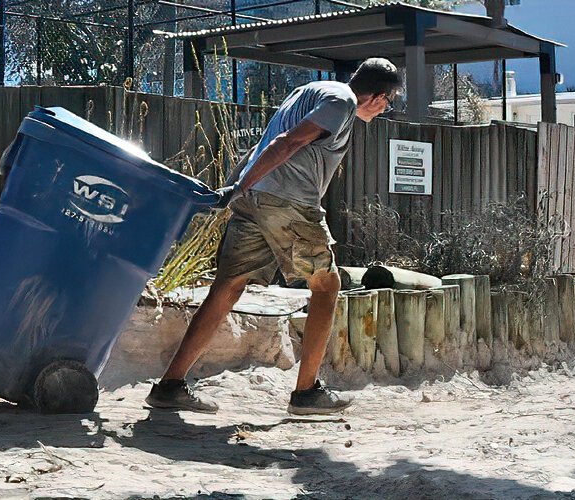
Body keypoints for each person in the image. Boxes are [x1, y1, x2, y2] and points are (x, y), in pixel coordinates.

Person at [146, 58, 403, 415]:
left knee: (228, 285)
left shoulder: (308, 90)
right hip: (288, 204)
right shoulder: (342, 101)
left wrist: (239, 188)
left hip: (256, 199)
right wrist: (240, 186)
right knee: (326, 286)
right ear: (378, 96)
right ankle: (307, 392)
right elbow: (285, 143)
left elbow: (263, 144)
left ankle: (170, 386)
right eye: (389, 101)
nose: (386, 109)